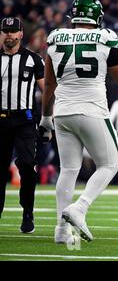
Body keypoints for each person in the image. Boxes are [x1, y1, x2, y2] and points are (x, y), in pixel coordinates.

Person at [39, 0, 118, 244]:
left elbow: (49, 85)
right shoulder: (104, 36)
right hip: (91, 110)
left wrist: (45, 118)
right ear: (96, 17)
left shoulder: (55, 37)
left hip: (62, 112)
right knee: (110, 164)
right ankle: (80, 207)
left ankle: (61, 231)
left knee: (68, 170)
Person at [0, 17, 45, 234]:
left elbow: (48, 91)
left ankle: (27, 210)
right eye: (5, 31)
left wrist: (49, 120)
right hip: (0, 120)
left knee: (28, 166)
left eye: (13, 31)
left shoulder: (33, 59)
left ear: (20, 34)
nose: (9, 34)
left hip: (25, 120)